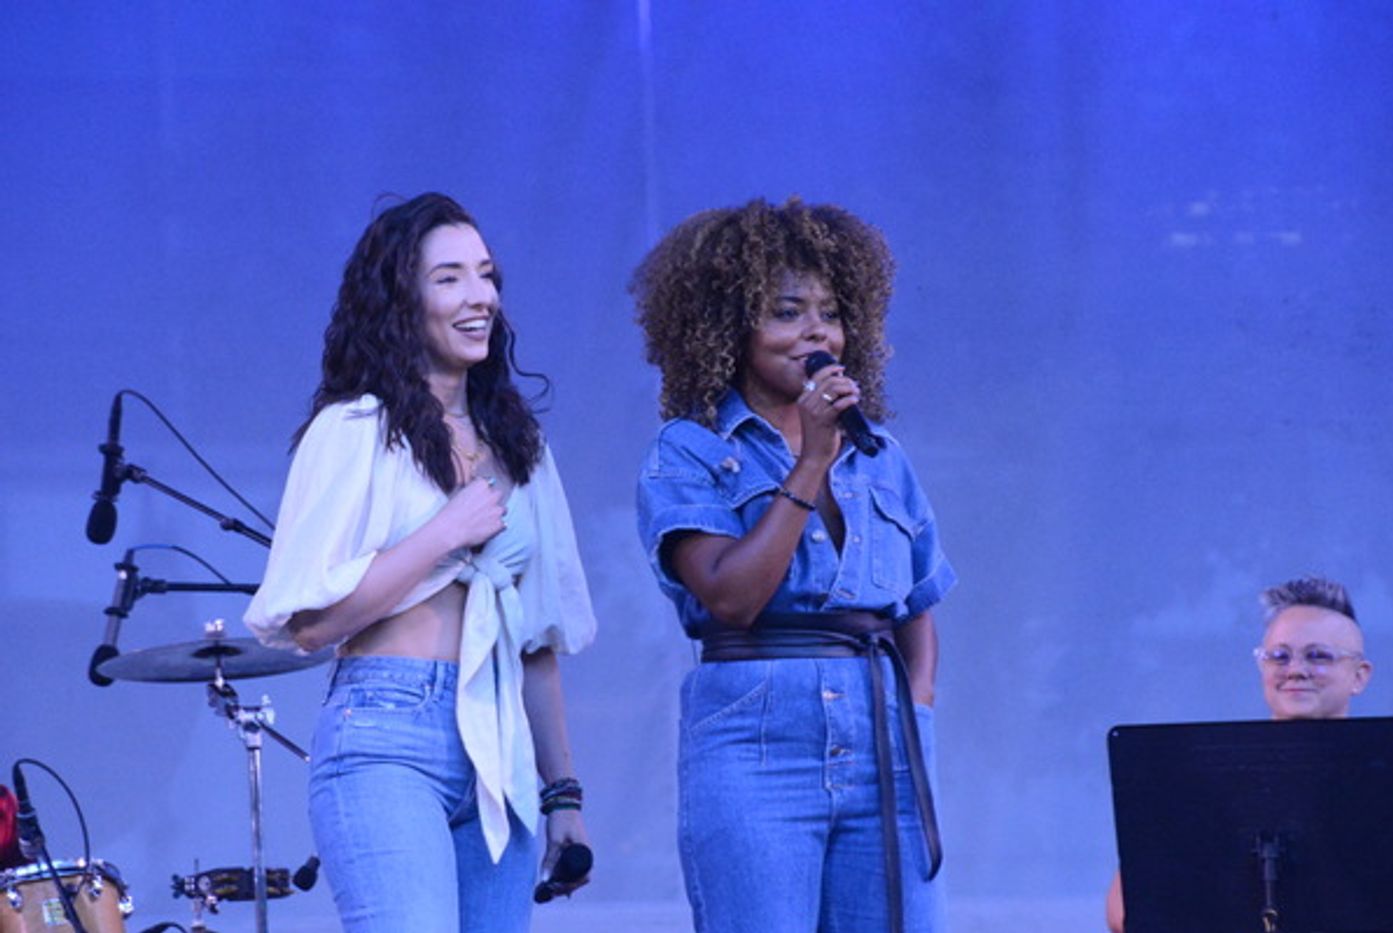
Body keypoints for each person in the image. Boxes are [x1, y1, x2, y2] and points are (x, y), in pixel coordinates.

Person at [244, 192, 596, 932]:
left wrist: (563, 794)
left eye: (487, 275)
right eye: (450, 278)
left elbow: (534, 638)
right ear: (401, 300)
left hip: (499, 748)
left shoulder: (520, 445)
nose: (479, 297)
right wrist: (443, 533)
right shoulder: (355, 430)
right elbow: (311, 625)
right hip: (385, 731)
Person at [632, 197, 957, 933]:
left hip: (883, 730)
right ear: (729, 327)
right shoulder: (688, 451)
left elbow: (916, 604)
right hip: (754, 731)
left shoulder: (881, 454)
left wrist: (922, 710)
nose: (817, 330)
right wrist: (811, 457)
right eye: (787, 312)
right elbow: (730, 597)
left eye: (831, 312)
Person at [1105, 575, 1374, 933]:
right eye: (1279, 656)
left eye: (1318, 656)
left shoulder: (1384, 778)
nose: (1295, 670)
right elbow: (1125, 913)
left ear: (1359, 676)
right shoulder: (1199, 778)